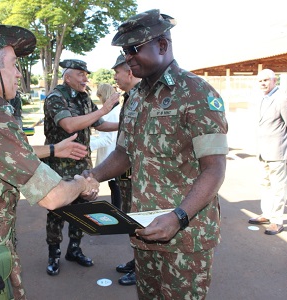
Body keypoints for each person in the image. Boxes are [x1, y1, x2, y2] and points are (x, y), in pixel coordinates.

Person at [0, 25, 99, 300]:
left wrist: (53, 149)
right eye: (13, 65)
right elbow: (54, 197)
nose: (19, 73)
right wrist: (81, 183)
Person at [83, 9, 229, 299]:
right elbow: (125, 152)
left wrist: (178, 217)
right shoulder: (135, 97)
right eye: (125, 51)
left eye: (134, 49)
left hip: (186, 235)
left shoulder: (196, 93)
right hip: (143, 229)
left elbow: (214, 169)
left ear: (162, 46)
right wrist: (93, 176)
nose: (128, 57)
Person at [42, 58, 119, 276]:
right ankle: (53, 254)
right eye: (80, 74)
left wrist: (125, 125)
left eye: (86, 74)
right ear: (67, 76)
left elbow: (99, 124)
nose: (86, 79)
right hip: (59, 166)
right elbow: (69, 124)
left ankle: (74, 249)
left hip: (82, 164)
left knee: (81, 208)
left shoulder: (84, 98)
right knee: (57, 210)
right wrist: (104, 109)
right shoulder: (55, 98)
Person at [248, 69, 287, 235]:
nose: (263, 83)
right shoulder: (261, 99)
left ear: (274, 80)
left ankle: (277, 221)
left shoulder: (283, 99)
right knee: (265, 183)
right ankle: (267, 214)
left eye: (266, 80)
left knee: (277, 186)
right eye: (260, 81)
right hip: (263, 151)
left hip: (278, 150)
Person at [110, 54, 141, 286]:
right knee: (132, 220)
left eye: (117, 73)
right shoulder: (129, 97)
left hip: (138, 174)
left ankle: (142, 267)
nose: (115, 78)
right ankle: (137, 259)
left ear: (129, 72)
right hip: (126, 171)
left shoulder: (143, 98)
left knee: (140, 221)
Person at [90, 83, 122, 208]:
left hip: (113, 157)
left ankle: (118, 215)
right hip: (113, 156)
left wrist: (89, 144)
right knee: (115, 188)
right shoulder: (114, 111)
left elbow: (108, 139)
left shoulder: (114, 114)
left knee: (117, 190)